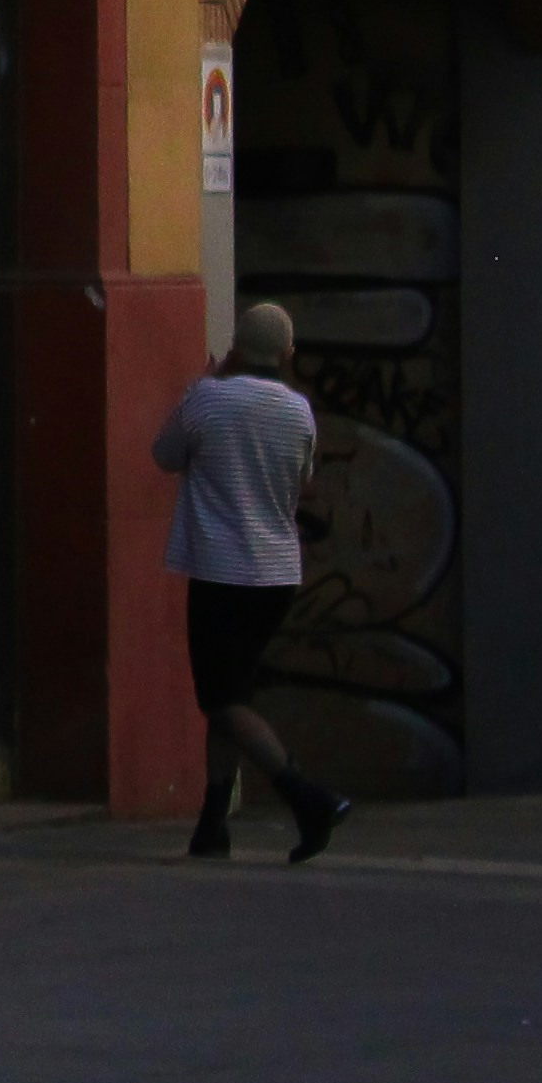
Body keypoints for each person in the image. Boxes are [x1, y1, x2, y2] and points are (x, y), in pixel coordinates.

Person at [151, 303, 347, 862]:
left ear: (234, 348)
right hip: (277, 573)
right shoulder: (299, 413)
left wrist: (208, 381)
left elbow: (164, 456)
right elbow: (302, 479)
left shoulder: (206, 398)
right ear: (288, 355)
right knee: (232, 695)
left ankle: (307, 798)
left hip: (221, 571)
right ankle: (212, 825)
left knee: (222, 699)